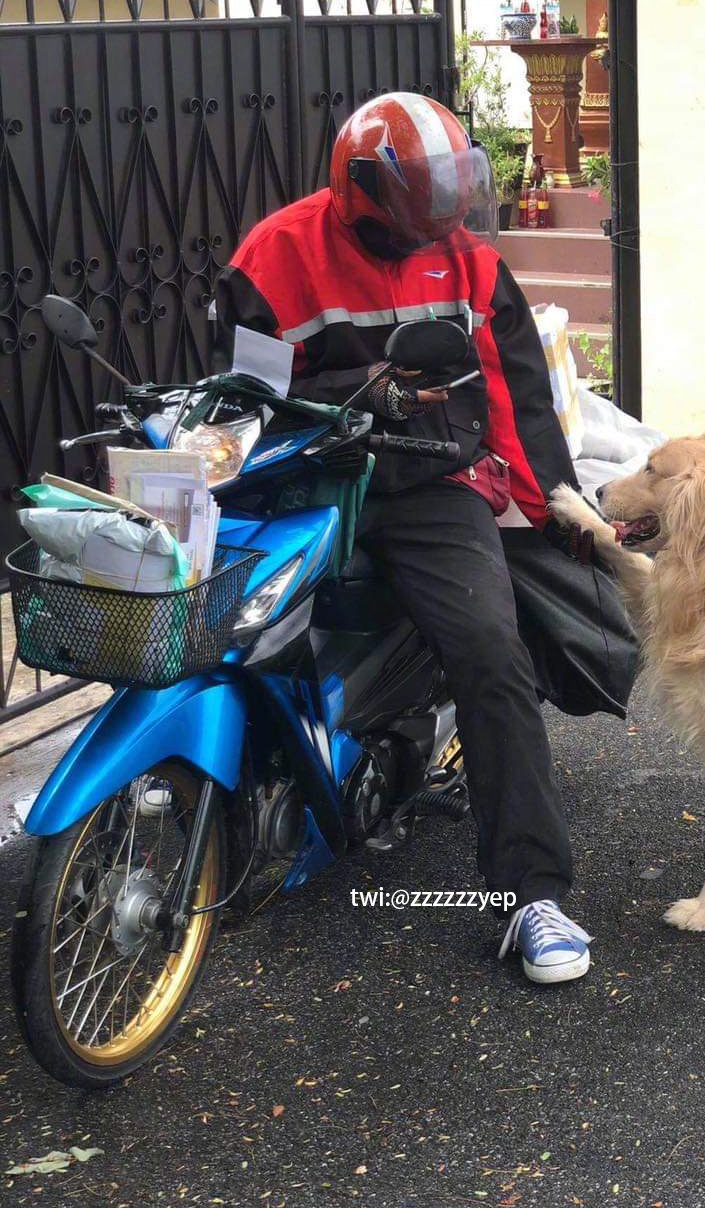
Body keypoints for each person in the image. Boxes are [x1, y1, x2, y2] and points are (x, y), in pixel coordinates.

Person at [214, 91, 594, 983]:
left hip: (427, 486)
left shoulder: (466, 258)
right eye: (420, 201)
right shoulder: (275, 256)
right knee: (222, 635)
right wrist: (365, 382)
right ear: (363, 191)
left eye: (448, 195)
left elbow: (514, 392)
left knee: (492, 654)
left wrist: (558, 506)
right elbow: (242, 396)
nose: (440, 221)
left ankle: (530, 896)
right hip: (301, 482)